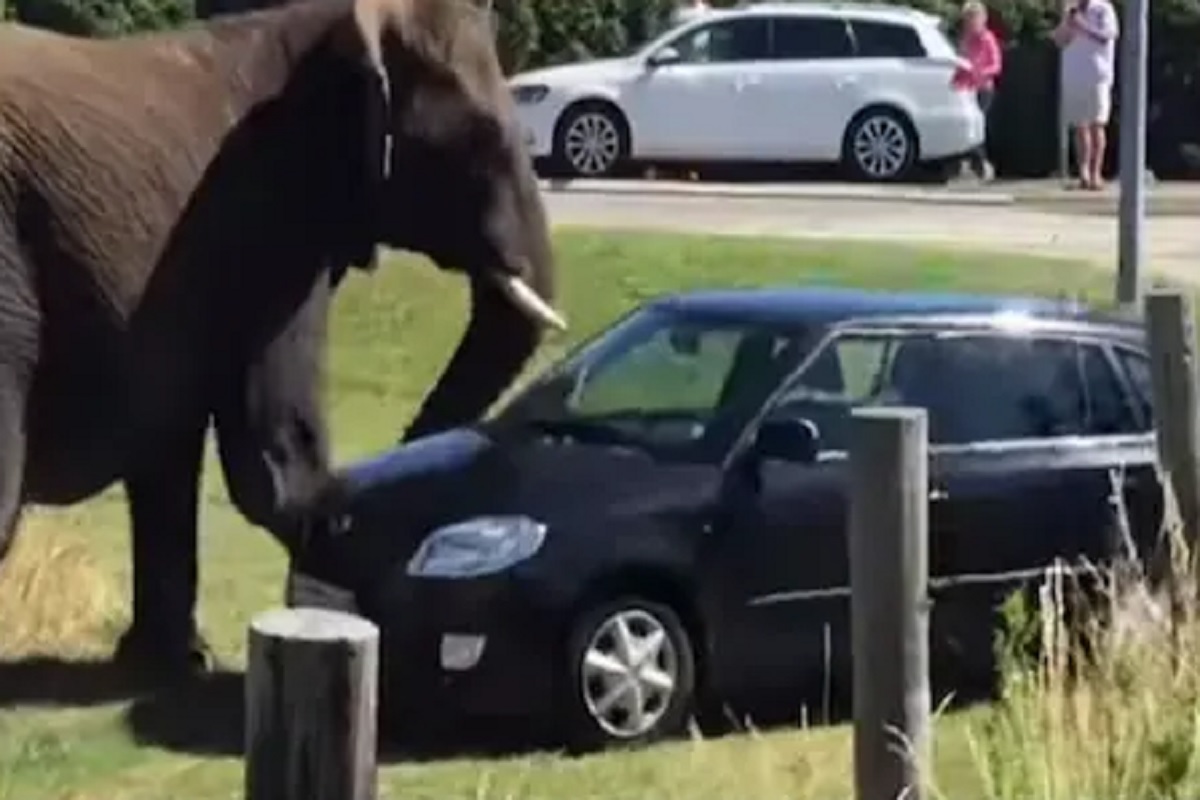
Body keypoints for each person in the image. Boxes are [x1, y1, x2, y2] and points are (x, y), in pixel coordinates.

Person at [1054, 0, 1120, 190]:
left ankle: (1095, 173)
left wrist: (1083, 25)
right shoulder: (1070, 12)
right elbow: (1060, 40)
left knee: (1097, 124)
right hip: (1074, 75)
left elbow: (1107, 36)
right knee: (1079, 126)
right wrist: (1068, 24)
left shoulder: (1103, 8)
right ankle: (1083, 172)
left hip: (1097, 74)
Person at [956, 1, 1003, 181]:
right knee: (966, 127)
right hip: (966, 90)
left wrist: (980, 72)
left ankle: (983, 165)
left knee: (978, 127)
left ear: (982, 19)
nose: (970, 24)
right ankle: (970, 164)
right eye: (967, 20)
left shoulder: (988, 39)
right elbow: (960, 62)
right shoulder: (965, 39)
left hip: (983, 89)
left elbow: (996, 66)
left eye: (973, 19)